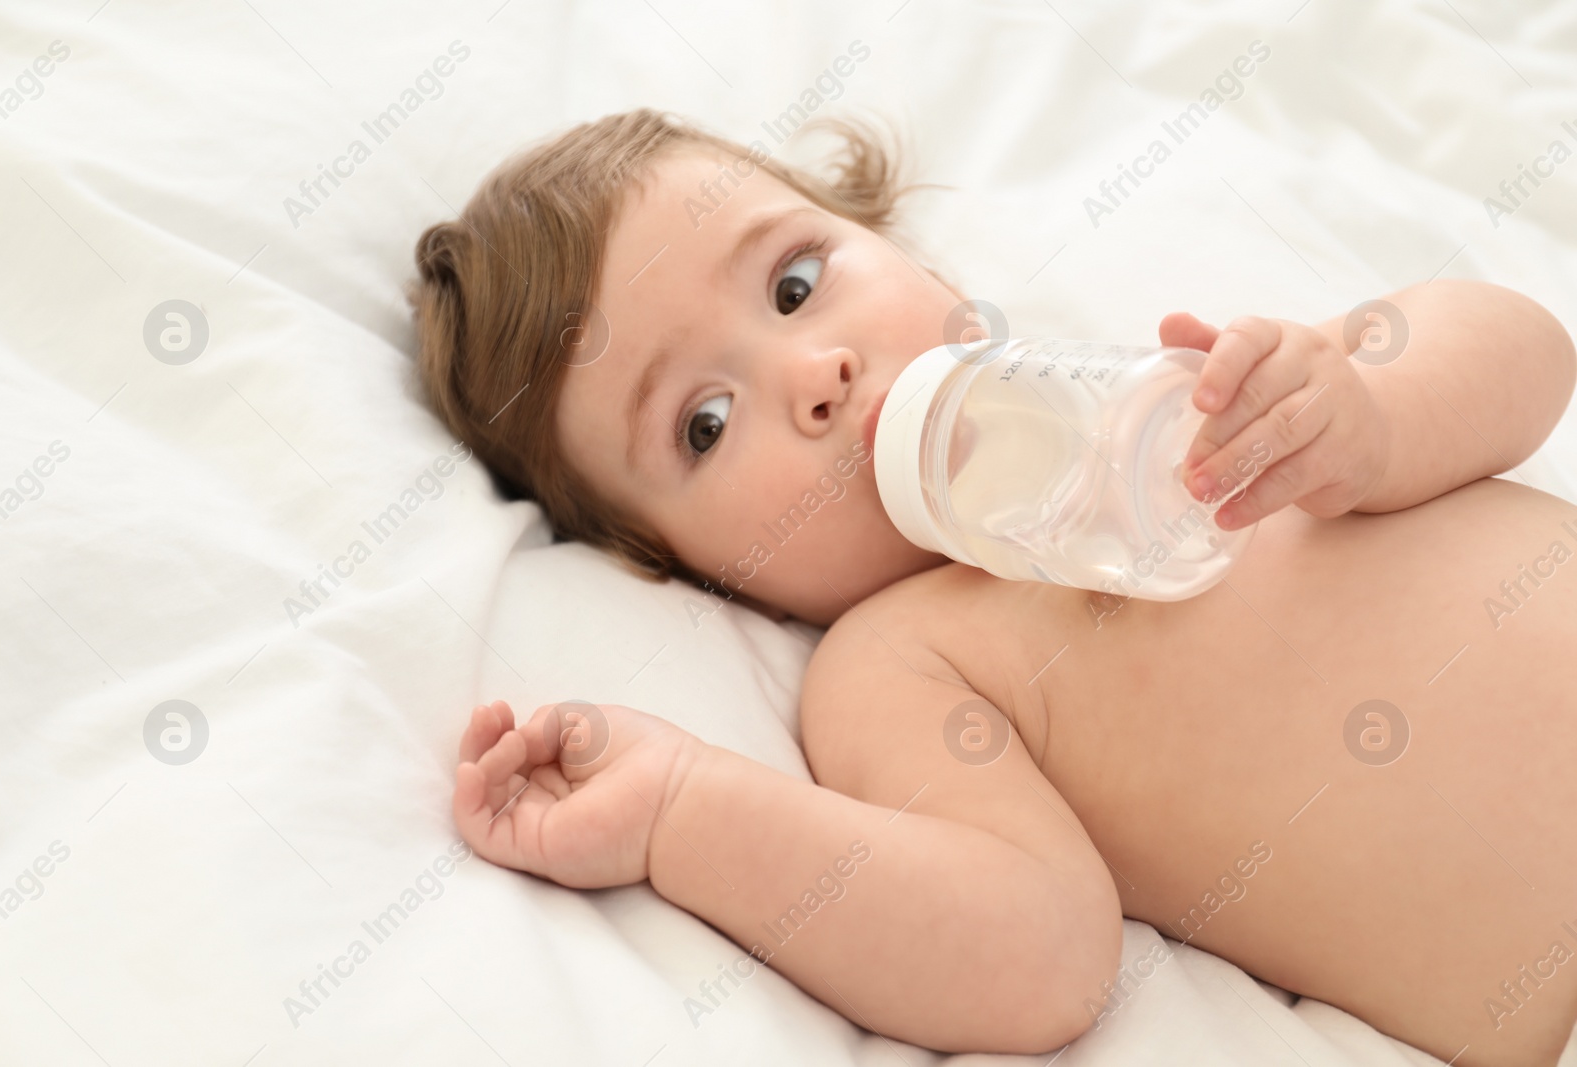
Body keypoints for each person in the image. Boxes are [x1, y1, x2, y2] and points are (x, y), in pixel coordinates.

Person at [409, 107, 1577, 1066]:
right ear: (674, 564)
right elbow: (1034, 961)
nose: (815, 373)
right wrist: (680, 811)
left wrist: (1371, 414)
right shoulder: (903, 659)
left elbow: (1526, 353)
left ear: (896, 244)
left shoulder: (1185, 394)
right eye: (704, 424)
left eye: (796, 281)